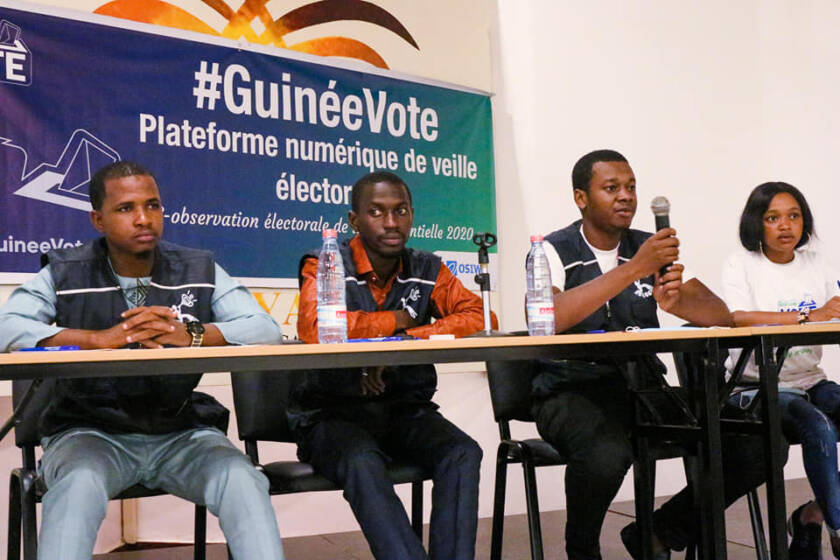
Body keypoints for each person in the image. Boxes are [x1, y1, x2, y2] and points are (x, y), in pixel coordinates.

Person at [0, 161, 286, 560]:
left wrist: (191, 334)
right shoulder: (66, 270)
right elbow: (6, 327)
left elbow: (265, 329)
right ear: (98, 219)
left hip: (180, 431)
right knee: (77, 486)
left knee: (243, 480)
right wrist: (96, 340)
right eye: (125, 208)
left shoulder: (199, 267)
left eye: (152, 205)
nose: (143, 218)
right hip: (89, 433)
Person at [534, 149, 776, 560]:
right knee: (606, 454)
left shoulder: (649, 247)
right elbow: (549, 318)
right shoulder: (551, 250)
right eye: (611, 188)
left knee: (756, 441)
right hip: (571, 388)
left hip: (642, 386)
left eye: (631, 187)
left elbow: (721, 316)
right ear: (581, 198)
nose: (625, 196)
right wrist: (634, 269)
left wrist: (679, 302)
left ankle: (659, 532)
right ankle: (582, 551)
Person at [290, 170, 495, 560]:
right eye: (376, 212)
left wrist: (406, 339)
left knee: (462, 452)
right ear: (354, 220)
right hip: (332, 415)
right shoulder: (324, 263)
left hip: (403, 410)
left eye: (400, 211)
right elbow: (316, 328)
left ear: (412, 215)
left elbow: (479, 316)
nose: (390, 222)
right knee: (362, 461)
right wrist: (394, 321)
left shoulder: (427, 268)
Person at [722, 181, 840, 560]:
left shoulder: (817, 263)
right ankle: (838, 528)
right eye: (773, 218)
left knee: (824, 410)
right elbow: (738, 318)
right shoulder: (742, 264)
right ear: (756, 222)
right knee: (818, 426)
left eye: (794, 216)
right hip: (758, 388)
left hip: (811, 380)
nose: (785, 225)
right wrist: (808, 316)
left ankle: (813, 514)